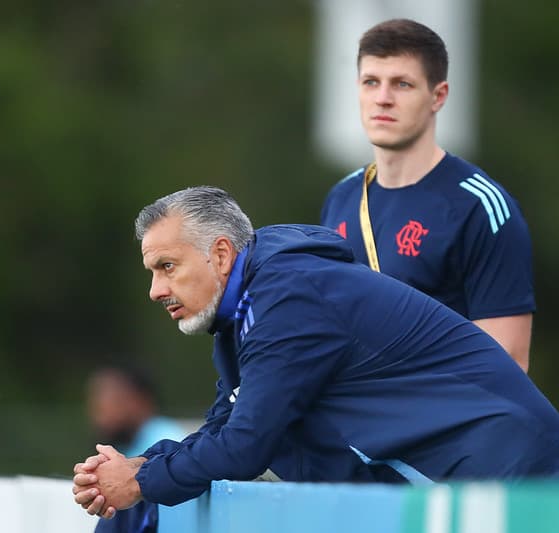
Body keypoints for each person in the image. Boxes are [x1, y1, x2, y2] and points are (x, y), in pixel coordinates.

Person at [71, 186, 559, 519]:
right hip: (474, 481)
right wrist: (141, 464)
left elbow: (246, 445)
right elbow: (225, 426)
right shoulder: (250, 307)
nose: (156, 290)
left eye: (167, 267)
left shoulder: (288, 298)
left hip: (509, 482)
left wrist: (142, 483)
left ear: (220, 255)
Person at [320, 19, 534, 371]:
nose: (383, 98)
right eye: (371, 82)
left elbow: (507, 363)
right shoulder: (342, 197)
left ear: (438, 96)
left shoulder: (481, 207)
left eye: (402, 84)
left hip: (440, 423)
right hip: (359, 422)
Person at [86, 366, 186, 533]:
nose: (102, 410)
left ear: (141, 401)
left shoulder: (168, 440)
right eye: (97, 401)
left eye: (113, 400)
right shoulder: (124, 444)